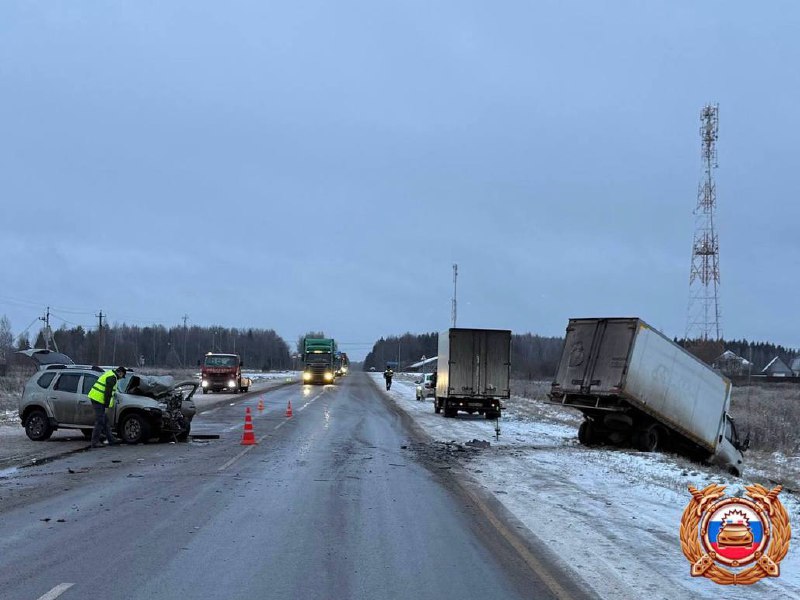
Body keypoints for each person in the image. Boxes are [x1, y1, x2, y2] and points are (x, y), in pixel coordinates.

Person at [87, 366, 126, 448]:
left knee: (105, 420)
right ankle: (95, 442)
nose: (121, 378)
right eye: (122, 376)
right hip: (97, 399)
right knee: (100, 421)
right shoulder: (112, 378)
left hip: (97, 398)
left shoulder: (110, 374)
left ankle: (111, 439)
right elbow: (108, 392)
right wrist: (106, 405)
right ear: (120, 373)